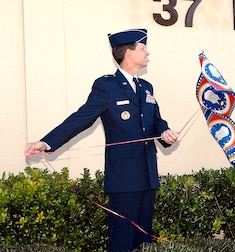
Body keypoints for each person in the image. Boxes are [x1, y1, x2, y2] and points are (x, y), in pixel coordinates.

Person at [24, 28, 179, 251]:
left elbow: (156, 120)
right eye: (143, 48)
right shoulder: (107, 86)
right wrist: (47, 142)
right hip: (124, 179)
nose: (148, 53)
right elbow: (81, 118)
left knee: (145, 242)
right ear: (128, 53)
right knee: (123, 241)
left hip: (148, 176)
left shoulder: (146, 87)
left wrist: (165, 133)